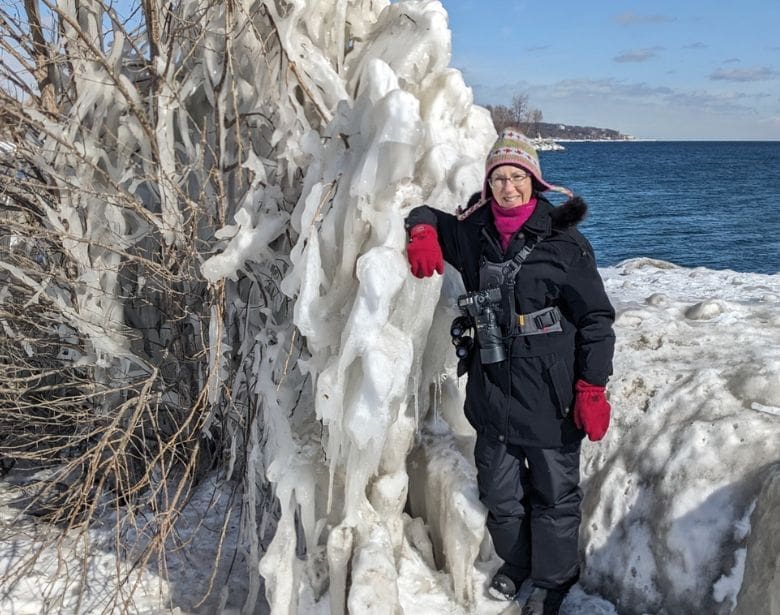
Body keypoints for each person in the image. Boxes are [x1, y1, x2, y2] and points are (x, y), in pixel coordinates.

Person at [404, 128, 615, 615]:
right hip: (493, 391)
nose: (508, 187)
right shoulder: (473, 232)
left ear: (534, 181)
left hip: (550, 396)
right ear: (489, 183)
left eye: (518, 177)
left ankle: (554, 580)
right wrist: (422, 232)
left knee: (554, 494)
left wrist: (592, 387)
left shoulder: (564, 243)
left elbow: (596, 319)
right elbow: (424, 213)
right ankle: (519, 562)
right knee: (501, 496)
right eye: (499, 177)